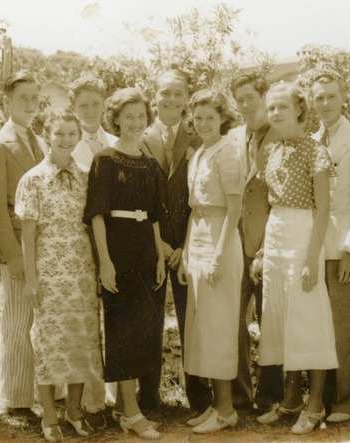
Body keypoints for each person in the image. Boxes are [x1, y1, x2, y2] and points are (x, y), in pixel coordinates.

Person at [254, 82, 338, 434]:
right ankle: (290, 400)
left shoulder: (315, 151)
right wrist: (262, 250)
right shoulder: (272, 149)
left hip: (305, 235)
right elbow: (271, 204)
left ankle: (315, 405)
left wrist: (310, 259)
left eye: (282, 108)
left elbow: (322, 211)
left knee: (308, 318)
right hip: (276, 234)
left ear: (299, 110)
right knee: (281, 317)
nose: (275, 114)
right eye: (271, 108)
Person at [15, 109, 102, 441]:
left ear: (78, 136)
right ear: (47, 136)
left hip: (81, 269)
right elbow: (28, 235)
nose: (65, 140)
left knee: (80, 340)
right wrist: (33, 279)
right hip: (50, 271)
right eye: (58, 134)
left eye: (71, 134)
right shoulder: (33, 179)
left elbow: (92, 226)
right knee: (50, 343)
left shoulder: (86, 175)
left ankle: (75, 410)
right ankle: (49, 417)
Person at [83, 88, 165, 440]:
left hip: (147, 250)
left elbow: (156, 215)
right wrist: (105, 262)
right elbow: (96, 216)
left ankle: (126, 406)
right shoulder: (104, 159)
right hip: (118, 250)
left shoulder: (151, 164)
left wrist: (161, 256)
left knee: (145, 328)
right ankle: (131, 414)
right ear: (115, 118)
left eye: (141, 116)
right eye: (128, 116)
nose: (135, 122)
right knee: (123, 329)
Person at [0, 70, 46, 417]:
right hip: (19, 251)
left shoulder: (41, 141)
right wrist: (14, 257)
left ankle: (49, 393)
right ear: (7, 102)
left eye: (35, 98)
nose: (31, 104)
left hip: (46, 250)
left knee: (43, 321)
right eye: (23, 98)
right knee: (19, 323)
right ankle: (17, 400)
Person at [142, 70, 211, 413]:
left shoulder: (197, 134)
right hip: (152, 245)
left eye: (178, 94)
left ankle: (198, 397)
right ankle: (149, 397)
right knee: (149, 321)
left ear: (187, 98)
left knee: (192, 321)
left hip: (188, 243)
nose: (171, 100)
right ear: (154, 96)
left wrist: (184, 243)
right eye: (164, 93)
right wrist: (160, 246)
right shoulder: (140, 135)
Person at [309, 68, 350, 423]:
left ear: (343, 97)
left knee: (345, 325)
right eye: (319, 97)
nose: (325, 103)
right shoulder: (311, 140)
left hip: (343, 248)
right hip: (316, 248)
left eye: (331, 95)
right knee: (320, 324)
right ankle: (325, 398)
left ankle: (349, 399)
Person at [176, 89, 243, 434]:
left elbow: (234, 209)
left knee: (219, 326)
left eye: (210, 118)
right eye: (198, 118)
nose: (203, 124)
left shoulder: (228, 152)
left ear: (222, 119)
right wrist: (187, 254)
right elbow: (193, 210)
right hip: (199, 238)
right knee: (202, 326)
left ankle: (227, 409)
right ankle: (216, 406)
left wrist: (218, 254)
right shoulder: (199, 154)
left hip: (221, 240)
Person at [227, 73, 284, 410]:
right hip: (235, 242)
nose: (245, 104)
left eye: (250, 97)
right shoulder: (232, 137)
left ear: (264, 96)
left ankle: (271, 395)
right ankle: (238, 394)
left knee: (270, 321)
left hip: (269, 243)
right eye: (240, 98)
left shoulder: (283, 135)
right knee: (233, 320)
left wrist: (267, 246)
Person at [68, 75, 118, 413]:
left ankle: (117, 393)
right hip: (79, 240)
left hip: (117, 239)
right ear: (73, 107)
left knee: (115, 316)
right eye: (82, 104)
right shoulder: (65, 143)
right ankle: (89, 395)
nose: (89, 110)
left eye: (95, 103)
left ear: (104, 104)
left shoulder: (118, 141)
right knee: (84, 318)